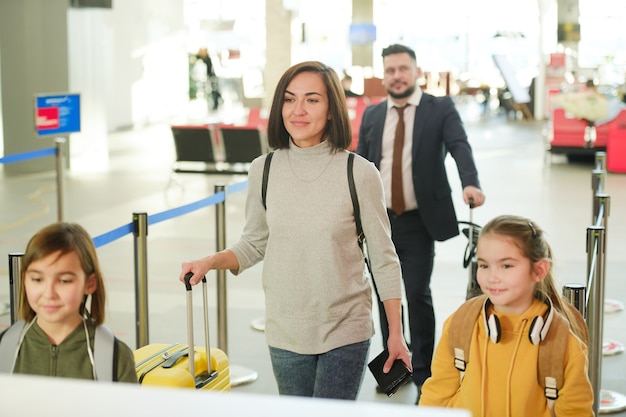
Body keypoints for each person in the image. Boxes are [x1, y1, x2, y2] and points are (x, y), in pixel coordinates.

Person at [180, 60, 411, 400]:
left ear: (332, 108)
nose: (297, 110)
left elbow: (383, 257)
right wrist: (210, 261)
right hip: (285, 329)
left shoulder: (359, 172)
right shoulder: (264, 168)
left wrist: (395, 332)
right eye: (289, 99)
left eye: (312, 99)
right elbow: (254, 244)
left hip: (345, 327)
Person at [356, 43, 486, 400]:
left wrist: (470, 182)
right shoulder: (372, 114)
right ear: (384, 76)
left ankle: (426, 371)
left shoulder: (439, 108)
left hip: (418, 220)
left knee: (415, 291)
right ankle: (394, 367)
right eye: (390, 70)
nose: (396, 76)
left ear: (416, 72)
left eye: (403, 69)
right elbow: (361, 163)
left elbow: (460, 146)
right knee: (387, 295)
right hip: (379, 221)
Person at [419, 215, 593, 416]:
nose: (492, 277)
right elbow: (436, 397)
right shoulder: (460, 325)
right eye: (484, 265)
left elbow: (576, 412)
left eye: (506, 266)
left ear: (539, 270)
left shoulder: (564, 344)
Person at [0, 222, 137, 382]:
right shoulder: (5, 348)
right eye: (37, 279)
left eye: (64, 281)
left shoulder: (114, 357)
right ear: (24, 279)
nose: (49, 293)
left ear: (90, 284)